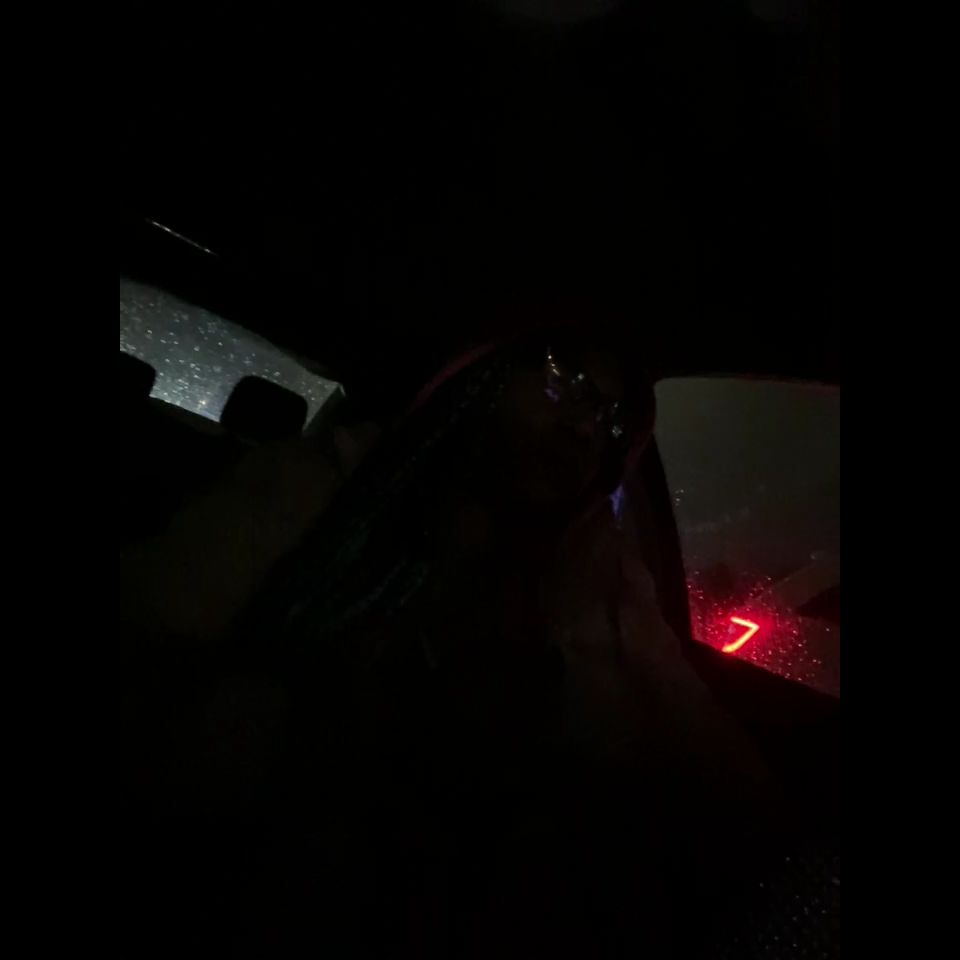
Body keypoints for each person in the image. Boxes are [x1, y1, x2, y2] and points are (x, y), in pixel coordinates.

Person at [123, 316, 774, 957]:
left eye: (612, 423)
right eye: (567, 381)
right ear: (484, 375)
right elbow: (150, 653)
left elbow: (700, 756)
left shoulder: (592, 594)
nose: (586, 427)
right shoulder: (310, 496)